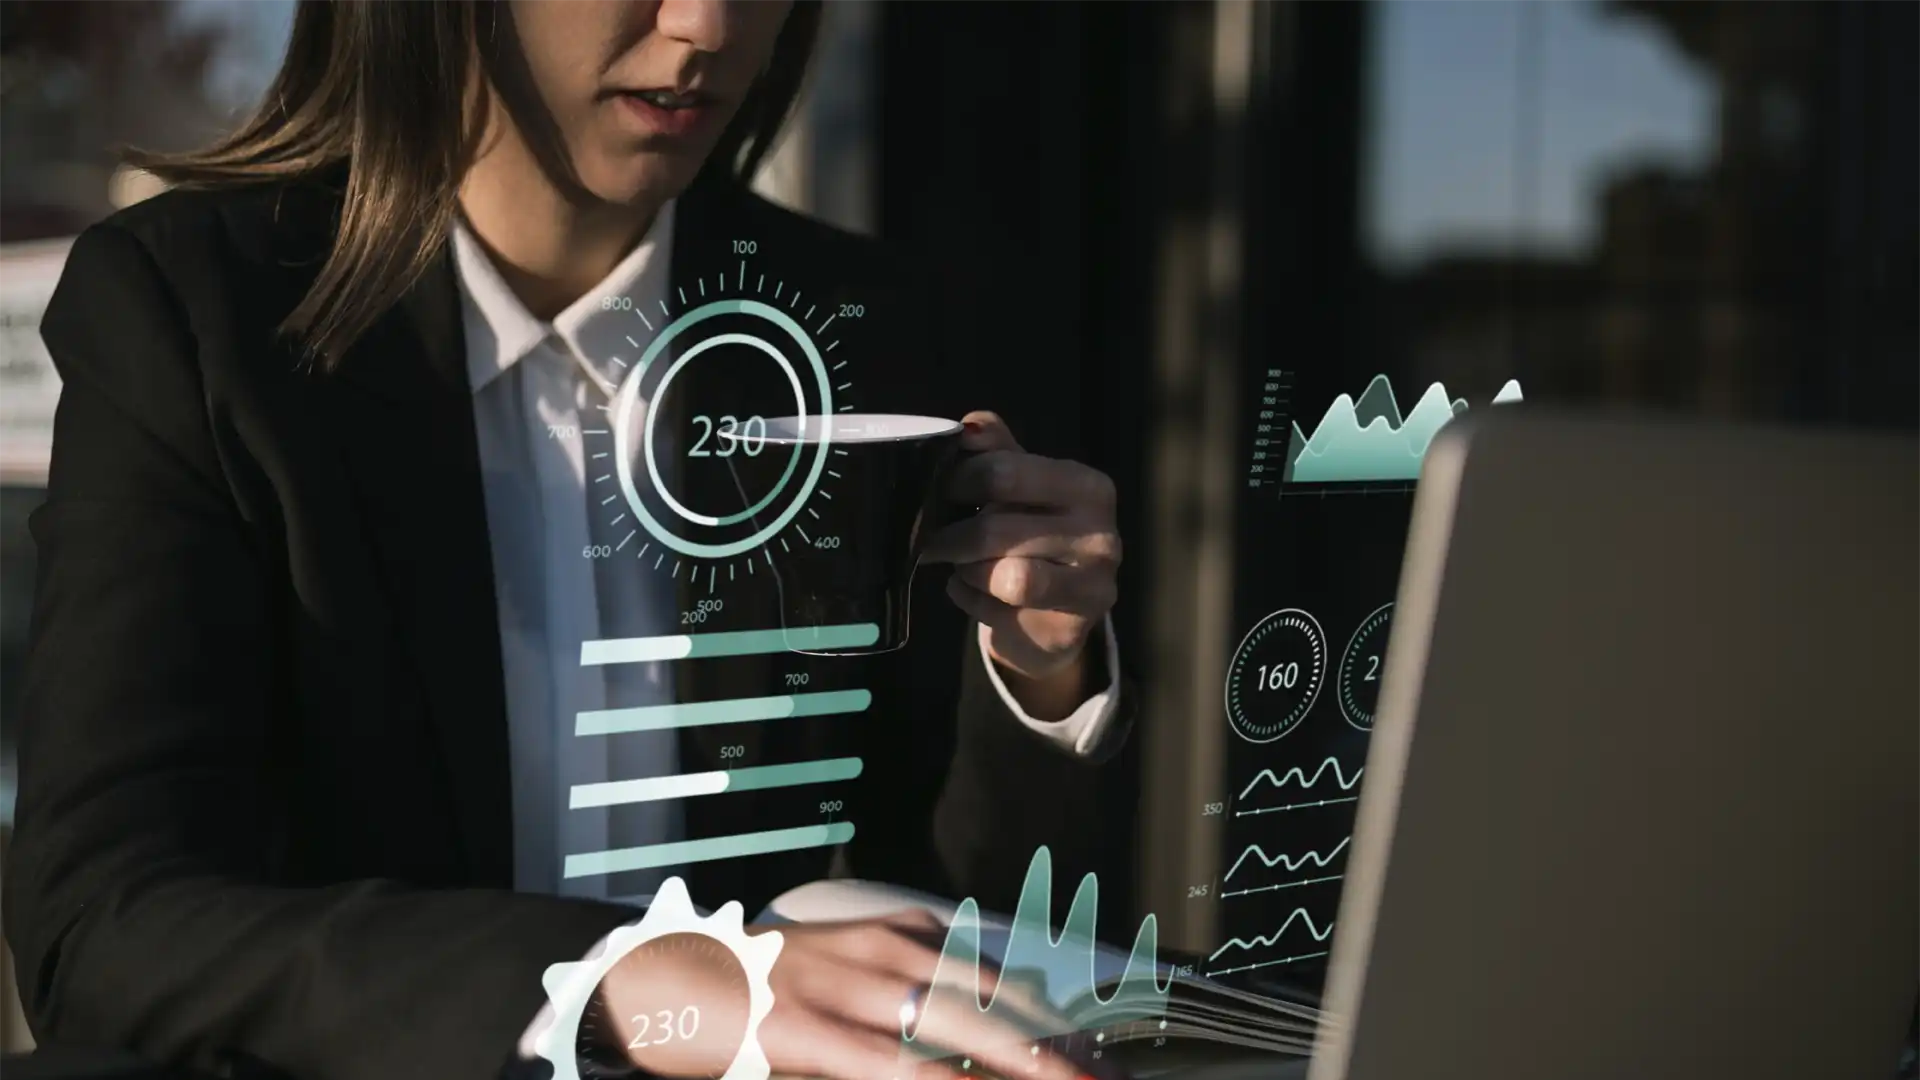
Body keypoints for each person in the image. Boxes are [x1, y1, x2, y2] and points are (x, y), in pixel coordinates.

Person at [2, 2, 1133, 1078]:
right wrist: (614, 982)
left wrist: (1037, 674)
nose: (708, 29)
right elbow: (102, 927)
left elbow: (964, 916)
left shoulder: (858, 326)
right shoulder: (199, 315)